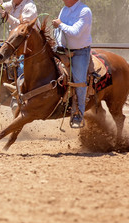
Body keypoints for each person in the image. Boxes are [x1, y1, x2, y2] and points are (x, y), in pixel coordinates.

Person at [52, 0, 92, 128]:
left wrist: (60, 24)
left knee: (79, 82)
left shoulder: (84, 11)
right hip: (63, 50)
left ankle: (78, 115)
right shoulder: (64, 9)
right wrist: (58, 44)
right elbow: (59, 31)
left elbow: (75, 32)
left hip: (80, 52)